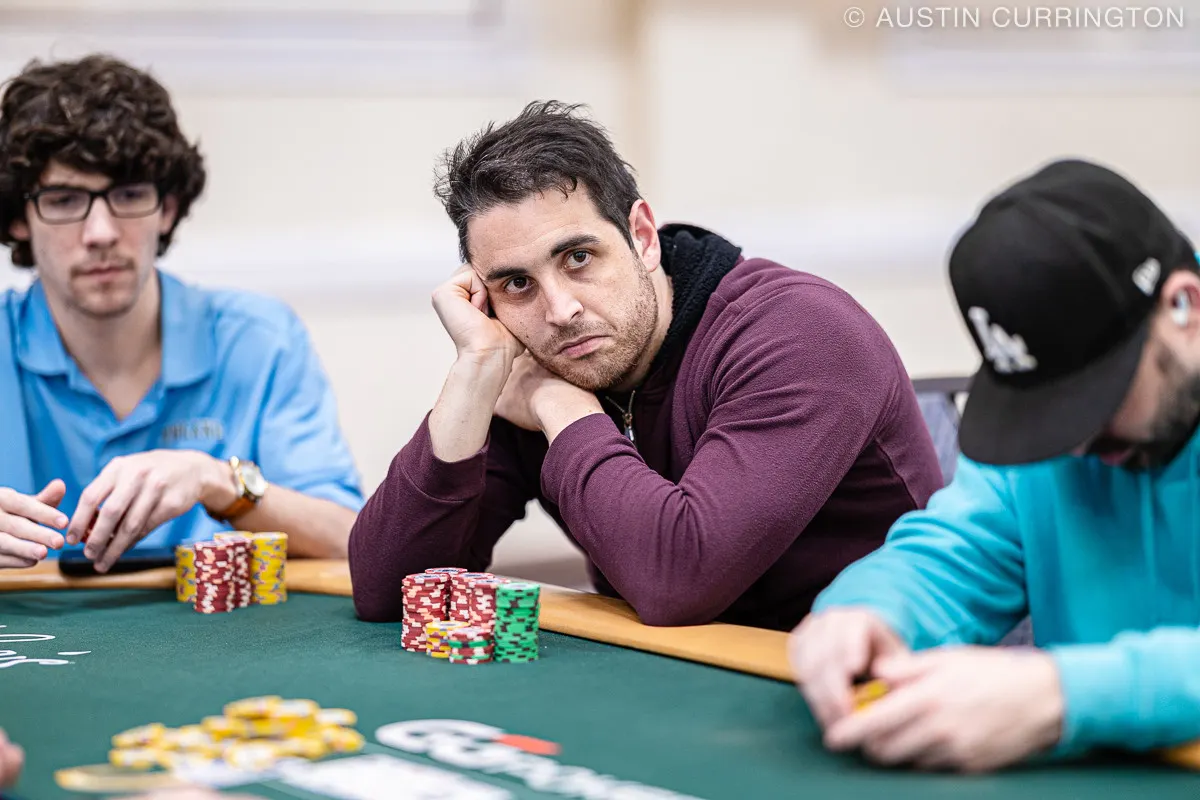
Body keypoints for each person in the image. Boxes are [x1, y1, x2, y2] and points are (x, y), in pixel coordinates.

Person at [347, 101, 944, 630]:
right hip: (679, 677)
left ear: (642, 236)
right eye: (517, 284)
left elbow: (679, 582)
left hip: (877, 678)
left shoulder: (800, 331)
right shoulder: (530, 362)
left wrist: (561, 407)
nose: (560, 311)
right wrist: (475, 373)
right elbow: (386, 591)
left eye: (578, 257)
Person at [789, 158, 1200, 772]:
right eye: (1050, 409)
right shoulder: (1050, 447)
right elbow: (952, 552)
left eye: (1096, 397)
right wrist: (865, 611)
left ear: (1184, 305)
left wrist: (1060, 696)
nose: (1073, 445)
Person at [0, 54, 364, 573]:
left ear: (167, 209)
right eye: (63, 200)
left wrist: (216, 481)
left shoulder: (260, 341)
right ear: (18, 217)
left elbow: (351, 540)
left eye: (129, 195)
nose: (101, 233)